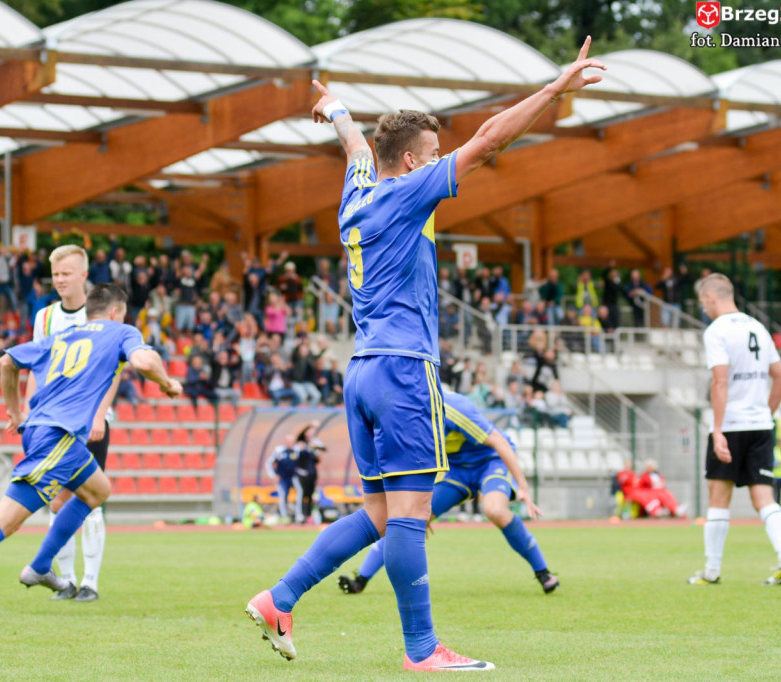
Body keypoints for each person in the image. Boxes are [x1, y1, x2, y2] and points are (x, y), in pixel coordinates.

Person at [245, 41, 605, 672]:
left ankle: (281, 598)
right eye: (435, 156)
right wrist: (554, 91)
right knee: (409, 514)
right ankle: (422, 650)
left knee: (381, 514)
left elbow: (358, 150)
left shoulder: (357, 194)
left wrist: (337, 110)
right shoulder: (404, 194)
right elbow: (489, 141)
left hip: (361, 371)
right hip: (405, 369)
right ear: (411, 162)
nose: (443, 166)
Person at [0, 284, 182, 616]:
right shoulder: (122, 330)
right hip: (57, 438)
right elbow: (144, 359)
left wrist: (14, 411)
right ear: (115, 312)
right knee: (5, 522)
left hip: (45, 432)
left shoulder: (65, 336)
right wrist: (168, 383)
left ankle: (40, 566)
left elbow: (7, 362)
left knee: (98, 491)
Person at [337, 389, 557, 597]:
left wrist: (524, 489)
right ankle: (361, 580)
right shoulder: (410, 418)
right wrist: (422, 508)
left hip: (490, 461)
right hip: (457, 470)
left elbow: (499, 441)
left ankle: (543, 572)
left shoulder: (454, 406)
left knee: (494, 510)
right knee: (409, 517)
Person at [688, 273, 781, 587]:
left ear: (710, 297)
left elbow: (720, 381)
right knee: (764, 495)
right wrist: (766, 412)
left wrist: (718, 430)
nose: (704, 309)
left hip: (732, 425)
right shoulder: (758, 327)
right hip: (761, 424)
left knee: (718, 495)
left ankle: (711, 571)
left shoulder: (717, 331)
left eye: (703, 303)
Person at [30, 244, 122, 603]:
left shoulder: (99, 314)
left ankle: (91, 583)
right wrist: (27, 413)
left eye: (66, 273)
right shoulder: (45, 318)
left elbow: (114, 368)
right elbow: (38, 369)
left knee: (90, 499)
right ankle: (65, 580)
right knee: (56, 501)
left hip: (90, 423)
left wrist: (99, 414)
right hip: (55, 423)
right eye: (55, 274)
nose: (60, 280)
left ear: (83, 275)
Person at [265, 435, 303, 523]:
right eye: (289, 441)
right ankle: (284, 516)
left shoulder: (297, 450)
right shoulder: (279, 451)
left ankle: (299, 515)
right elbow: (268, 463)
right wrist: (273, 475)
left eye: (292, 441)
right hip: (282, 478)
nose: (291, 443)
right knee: (283, 495)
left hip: (293, 477)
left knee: (300, 492)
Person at [295, 422, 326, 523]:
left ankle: (308, 515)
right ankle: (300, 515)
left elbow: (322, 451)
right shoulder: (300, 443)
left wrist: (317, 450)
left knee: (310, 495)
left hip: (312, 473)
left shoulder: (315, 443)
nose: (311, 433)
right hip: (302, 473)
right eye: (310, 430)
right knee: (301, 494)